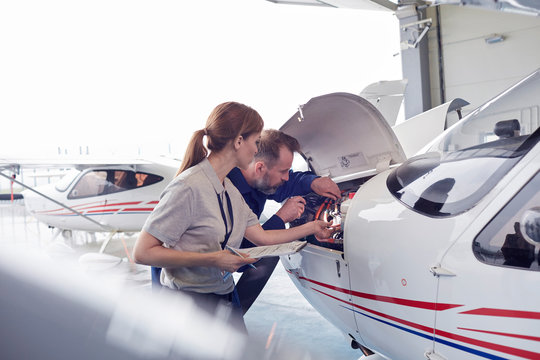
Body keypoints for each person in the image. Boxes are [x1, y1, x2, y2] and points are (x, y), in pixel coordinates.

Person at [132, 102, 335, 332]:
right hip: (190, 305)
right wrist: (214, 259)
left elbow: (262, 238)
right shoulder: (188, 187)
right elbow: (142, 252)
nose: (257, 150)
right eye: (256, 142)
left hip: (222, 295)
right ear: (239, 141)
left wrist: (313, 227)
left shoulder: (227, 187)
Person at [228, 129, 341, 314]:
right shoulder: (230, 191)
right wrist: (282, 217)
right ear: (260, 168)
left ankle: (235, 314)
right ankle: (232, 317)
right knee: (271, 250)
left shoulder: (260, 180)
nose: (286, 177)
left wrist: (313, 182)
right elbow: (244, 250)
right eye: (283, 171)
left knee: (272, 253)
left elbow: (290, 182)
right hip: (198, 280)